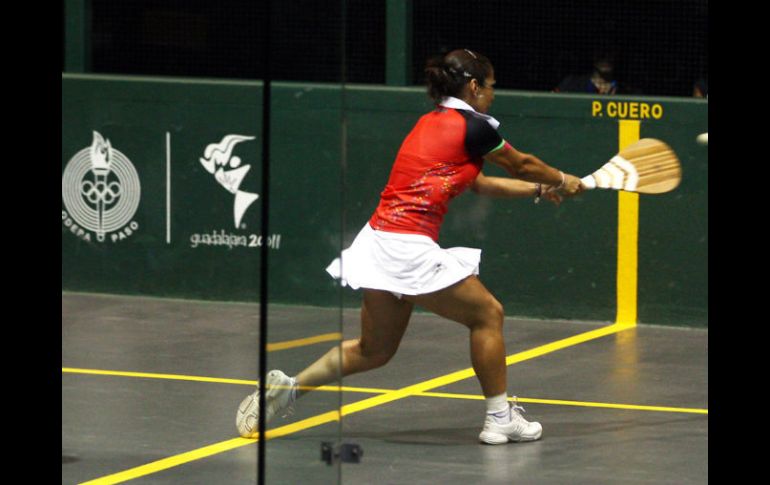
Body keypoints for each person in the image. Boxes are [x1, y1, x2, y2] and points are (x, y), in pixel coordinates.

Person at [236, 48, 584, 445]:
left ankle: (288, 389)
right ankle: (500, 418)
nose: (492, 94)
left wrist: (538, 189)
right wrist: (562, 178)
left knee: (374, 350)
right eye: (490, 86)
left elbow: (481, 183)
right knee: (488, 315)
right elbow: (521, 163)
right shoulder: (473, 127)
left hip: (379, 240)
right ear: (473, 86)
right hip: (406, 247)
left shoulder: (432, 123)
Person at [554, 51, 630, 95]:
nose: (605, 57)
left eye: (610, 52)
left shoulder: (626, 90)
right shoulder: (570, 84)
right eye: (601, 52)